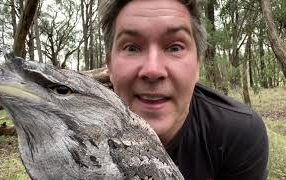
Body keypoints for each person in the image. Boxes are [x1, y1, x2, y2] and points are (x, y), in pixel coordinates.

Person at [99, 0, 269, 179]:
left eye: (175, 47)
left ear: (198, 65)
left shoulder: (237, 134)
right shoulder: (72, 129)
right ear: (109, 65)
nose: (153, 70)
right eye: (131, 48)